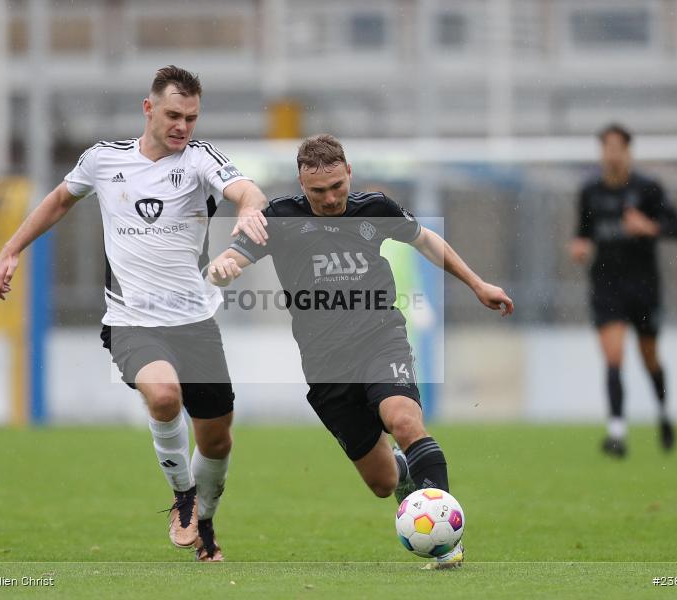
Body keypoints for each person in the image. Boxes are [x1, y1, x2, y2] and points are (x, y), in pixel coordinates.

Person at [0, 65, 269, 562]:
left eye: (191, 117)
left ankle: (204, 522)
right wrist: (12, 248)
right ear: (148, 109)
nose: (183, 126)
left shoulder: (200, 160)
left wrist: (249, 208)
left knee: (218, 440)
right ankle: (182, 498)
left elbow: (246, 189)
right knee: (163, 397)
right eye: (173, 115)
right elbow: (58, 201)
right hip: (131, 322)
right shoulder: (103, 160)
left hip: (194, 322)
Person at [205, 134, 514, 568]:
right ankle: (407, 475)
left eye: (337, 186)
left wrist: (478, 283)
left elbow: (426, 241)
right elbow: (235, 258)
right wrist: (222, 270)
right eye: (318, 191)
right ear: (301, 183)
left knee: (403, 419)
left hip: (379, 337)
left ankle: (447, 543)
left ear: (349, 173)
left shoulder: (376, 209)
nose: (330, 198)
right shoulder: (279, 217)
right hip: (326, 366)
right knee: (382, 481)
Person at [569, 123, 677, 458]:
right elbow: (583, 233)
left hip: (643, 286)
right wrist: (579, 247)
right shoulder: (590, 191)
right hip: (606, 285)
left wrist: (649, 227)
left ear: (627, 151)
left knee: (649, 357)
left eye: (617, 147)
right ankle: (617, 432)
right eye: (606, 147)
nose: (611, 154)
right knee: (614, 356)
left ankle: (663, 413)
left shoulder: (648, 190)